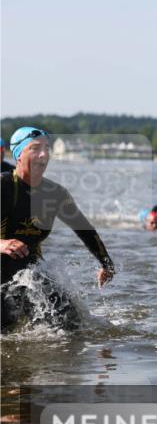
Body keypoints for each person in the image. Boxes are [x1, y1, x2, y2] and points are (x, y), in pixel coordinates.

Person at [1, 127, 115, 329]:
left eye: (47, 148)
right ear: (18, 154)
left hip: (30, 277)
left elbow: (84, 229)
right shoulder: (4, 186)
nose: (44, 154)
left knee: (72, 325)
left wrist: (106, 264)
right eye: (35, 148)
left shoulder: (55, 194)